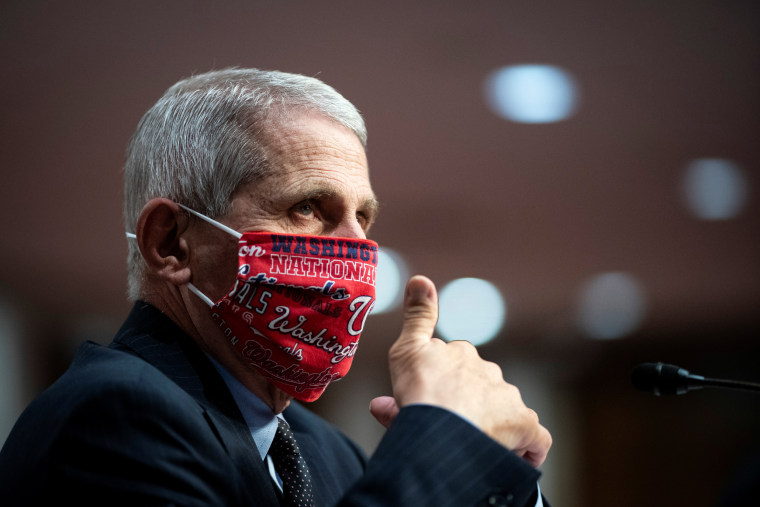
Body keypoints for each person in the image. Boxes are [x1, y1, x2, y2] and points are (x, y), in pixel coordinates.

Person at [0, 68, 552, 506]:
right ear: (170, 243)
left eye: (365, 217)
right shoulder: (114, 416)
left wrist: (495, 471)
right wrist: (444, 442)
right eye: (308, 207)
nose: (357, 250)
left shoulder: (328, 453)